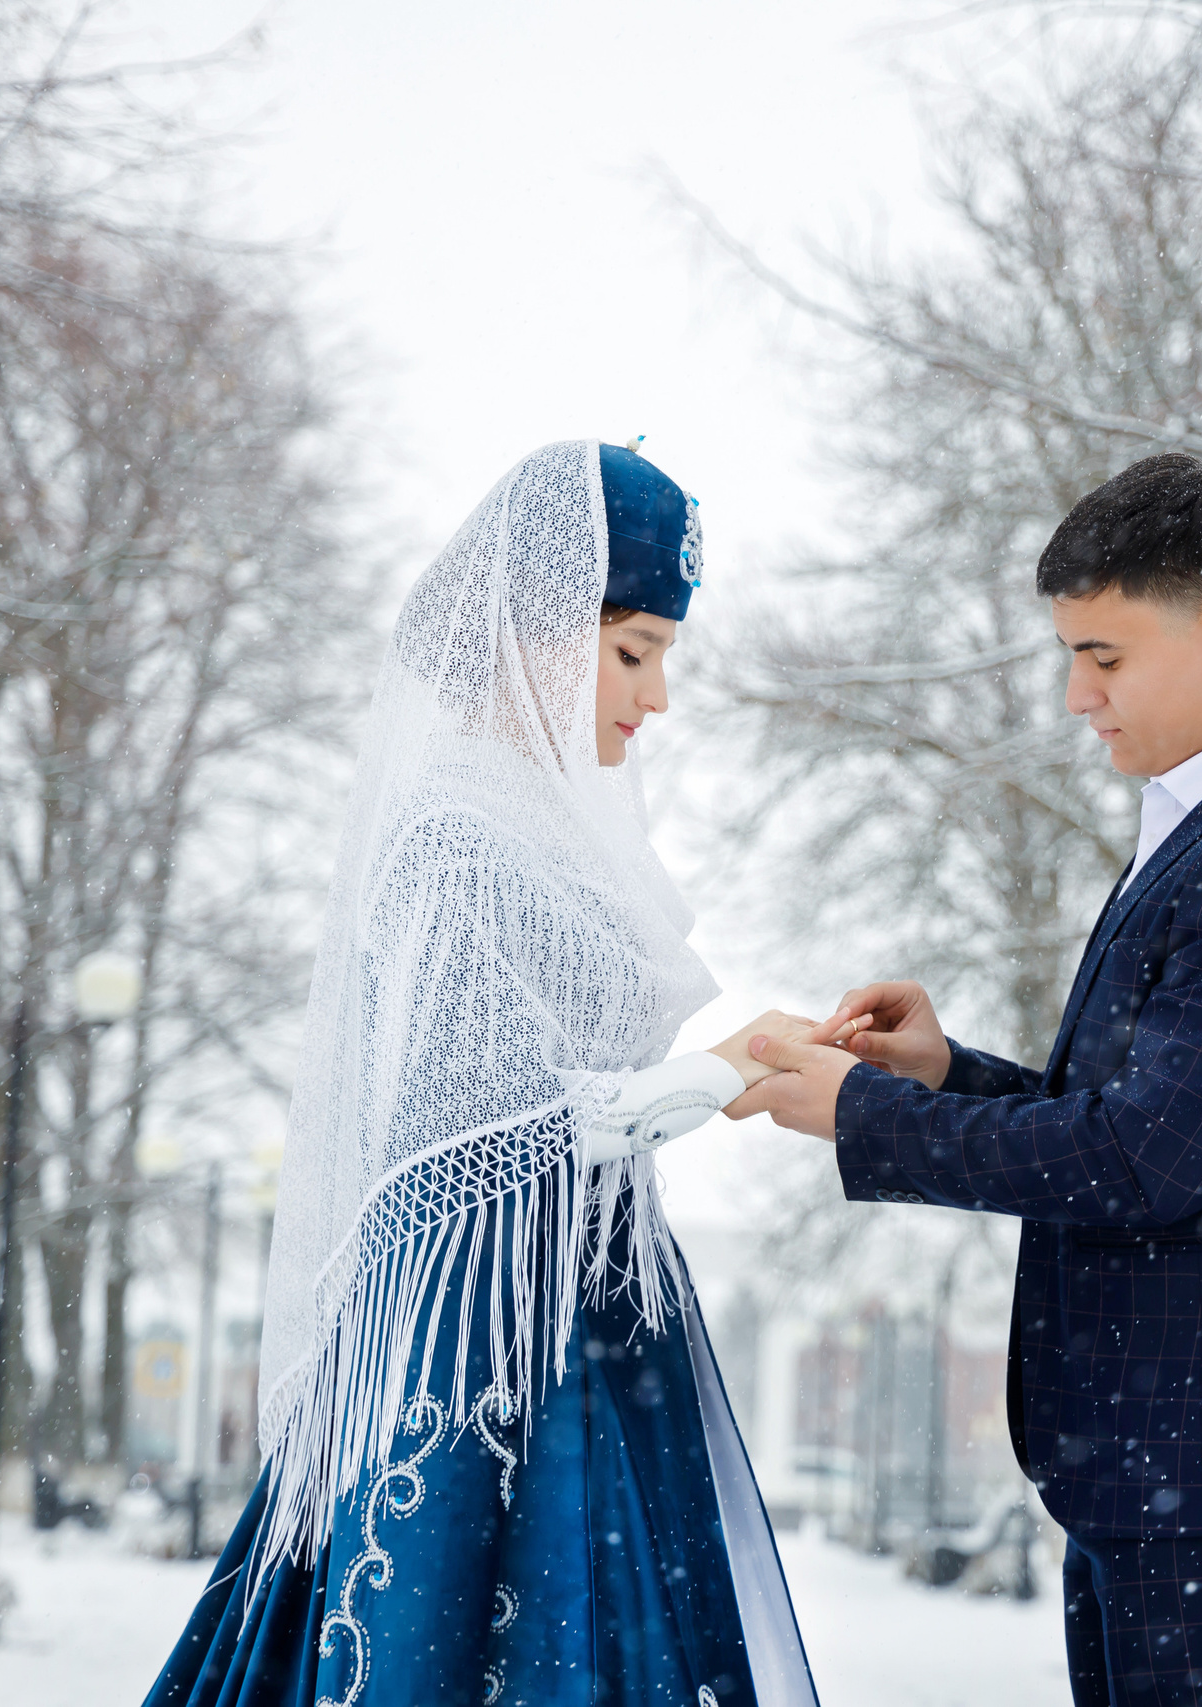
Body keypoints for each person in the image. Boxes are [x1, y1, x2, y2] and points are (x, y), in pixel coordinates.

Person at [736, 454, 1202, 1706]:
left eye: (1102, 656)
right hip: (1184, 1473)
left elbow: (1139, 1160)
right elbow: (1150, 1124)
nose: (1074, 694)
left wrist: (868, 1119)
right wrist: (940, 1076)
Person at [146, 440, 819, 1707]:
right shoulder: (459, 832)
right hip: (482, 1360)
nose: (657, 698)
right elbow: (462, 1137)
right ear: (542, 635)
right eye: (635, 653)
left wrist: (721, 1070)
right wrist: (708, 1077)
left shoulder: (529, 818)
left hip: (580, 1330)